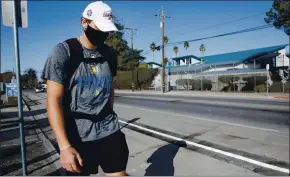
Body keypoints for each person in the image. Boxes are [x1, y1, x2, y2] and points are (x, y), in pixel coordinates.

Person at [41, 1, 129, 176]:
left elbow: (109, 90)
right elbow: (53, 101)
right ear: (84, 22)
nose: (103, 34)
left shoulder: (110, 54)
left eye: (107, 29)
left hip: (109, 130)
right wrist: (64, 146)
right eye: (99, 28)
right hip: (77, 135)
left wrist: (105, 114)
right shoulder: (64, 52)